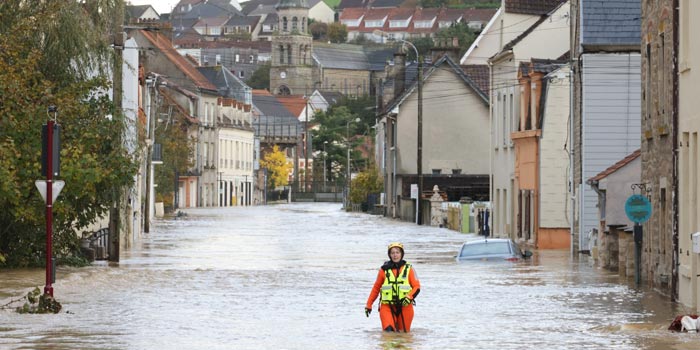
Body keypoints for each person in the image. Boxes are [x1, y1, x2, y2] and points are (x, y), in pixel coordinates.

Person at [365, 242, 421, 332]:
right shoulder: (383, 270)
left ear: (402, 254)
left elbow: (417, 287)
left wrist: (409, 297)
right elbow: (376, 288)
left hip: (405, 307)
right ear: (389, 255)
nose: (395, 255)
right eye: (392, 253)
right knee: (388, 333)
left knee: (404, 336)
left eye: (397, 252)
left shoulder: (409, 269)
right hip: (387, 307)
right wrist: (369, 305)